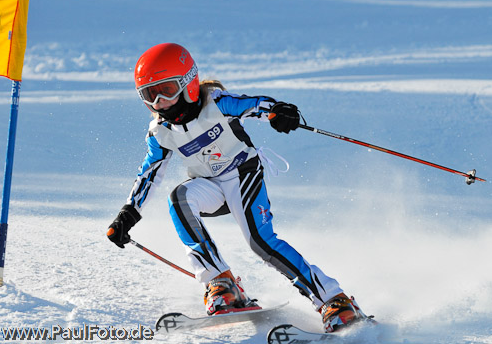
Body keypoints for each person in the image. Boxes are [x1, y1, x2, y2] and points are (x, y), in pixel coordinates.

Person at [107, 43, 367, 332]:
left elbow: (253, 103)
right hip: (209, 186)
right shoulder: (161, 132)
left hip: (243, 175)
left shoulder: (216, 103)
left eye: (166, 90)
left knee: (261, 241)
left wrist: (277, 112)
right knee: (179, 198)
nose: (160, 102)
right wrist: (128, 213)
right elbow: (149, 174)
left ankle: (335, 301)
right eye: (149, 95)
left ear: (188, 83)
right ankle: (220, 282)